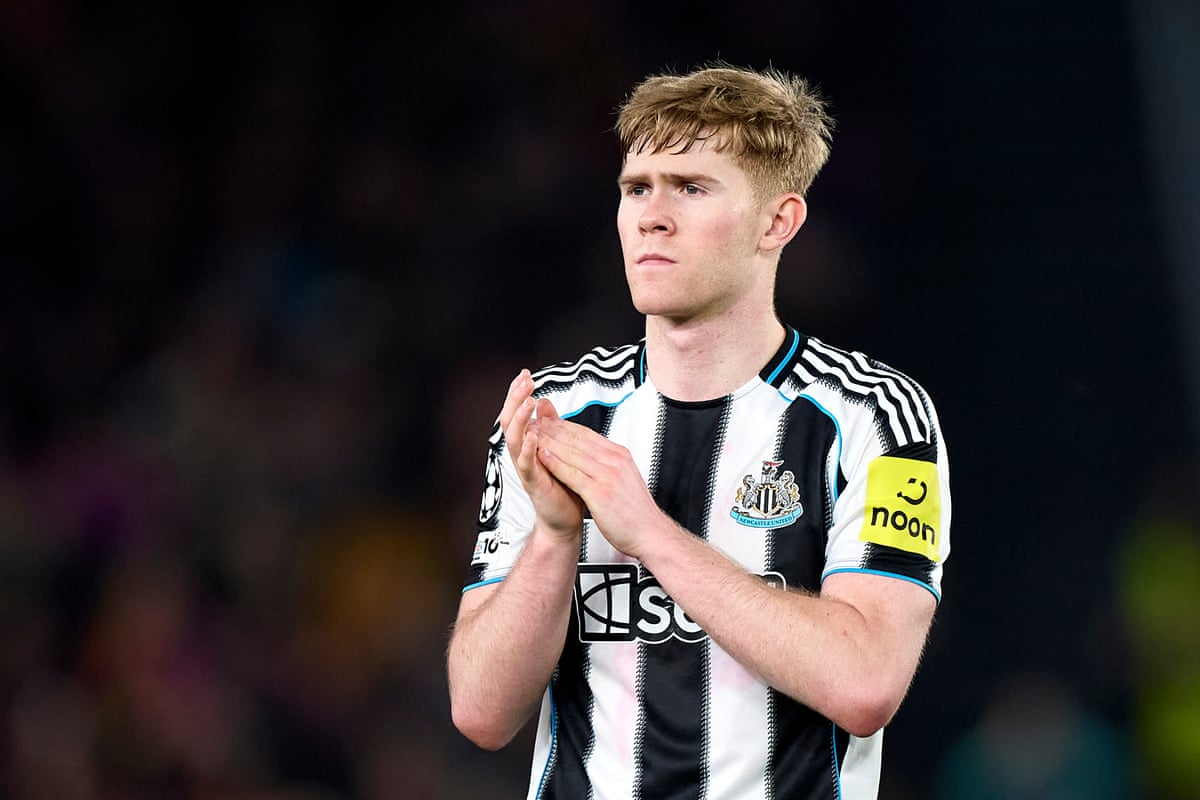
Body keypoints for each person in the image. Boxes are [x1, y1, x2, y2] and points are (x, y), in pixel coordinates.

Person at [447, 61, 951, 800]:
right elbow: (481, 711)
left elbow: (866, 682)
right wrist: (556, 541)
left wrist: (649, 533)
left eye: (691, 187)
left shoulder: (876, 417)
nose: (652, 214)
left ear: (778, 221)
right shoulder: (560, 413)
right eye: (636, 188)